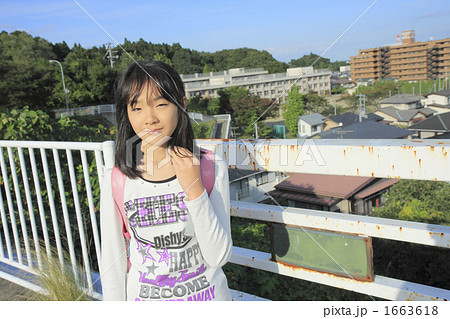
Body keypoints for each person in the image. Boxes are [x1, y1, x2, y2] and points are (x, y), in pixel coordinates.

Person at [100, 60, 232, 301]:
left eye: (160, 104)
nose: (149, 118)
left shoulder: (211, 168)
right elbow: (112, 261)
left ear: (181, 104)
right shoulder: (117, 178)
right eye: (136, 108)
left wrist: (195, 188)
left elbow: (218, 257)